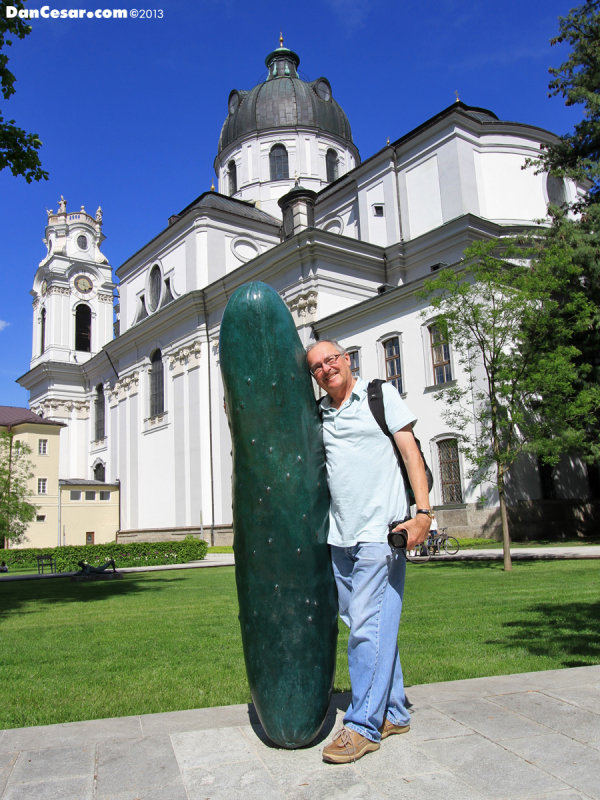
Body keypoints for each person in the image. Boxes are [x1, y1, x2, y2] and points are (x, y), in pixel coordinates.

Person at [306, 339, 432, 764]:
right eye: (317, 368)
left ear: (346, 360)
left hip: (381, 532)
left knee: (365, 628)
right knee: (366, 625)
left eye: (331, 360)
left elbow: (411, 453)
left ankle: (361, 727)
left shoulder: (380, 396)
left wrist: (424, 514)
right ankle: (393, 711)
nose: (326, 369)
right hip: (339, 537)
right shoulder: (319, 415)